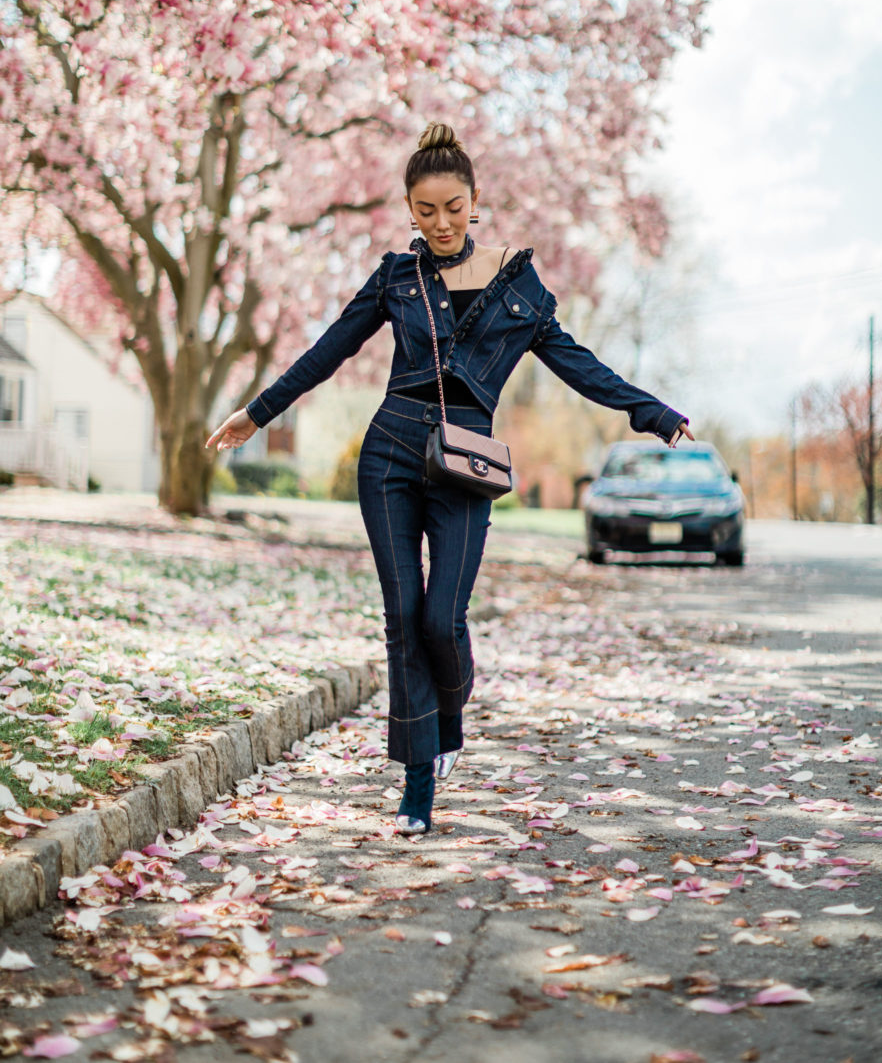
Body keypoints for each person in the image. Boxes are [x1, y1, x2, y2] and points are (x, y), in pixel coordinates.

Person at [206, 122, 693, 835]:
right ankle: (417, 785)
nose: (440, 223)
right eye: (425, 210)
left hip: (467, 462)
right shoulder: (396, 277)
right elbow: (329, 350)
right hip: (391, 455)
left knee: (443, 619)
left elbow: (577, 362)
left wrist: (651, 413)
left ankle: (451, 714)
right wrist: (258, 412)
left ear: (475, 201)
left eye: (454, 208)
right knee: (403, 619)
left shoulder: (516, 283)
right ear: (409, 208)